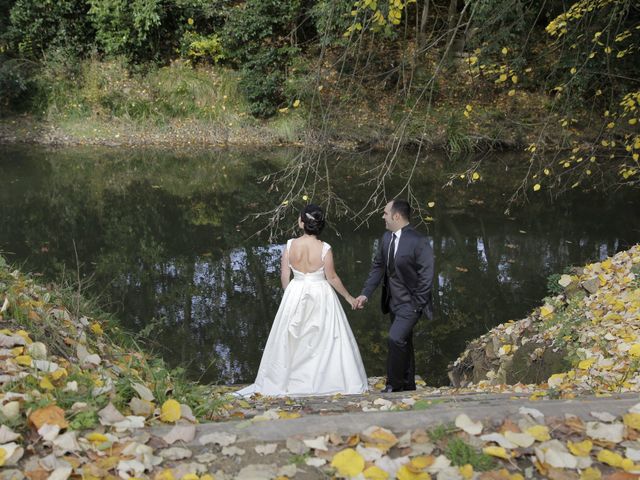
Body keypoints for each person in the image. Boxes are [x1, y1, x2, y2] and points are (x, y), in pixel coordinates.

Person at [235, 204, 368, 397]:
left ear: (301, 222)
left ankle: (287, 380)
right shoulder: (325, 248)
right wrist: (349, 298)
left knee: (291, 338)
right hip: (320, 293)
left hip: (295, 290)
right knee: (322, 337)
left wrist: (289, 293)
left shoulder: (290, 246)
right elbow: (331, 278)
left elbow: (284, 273)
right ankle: (325, 380)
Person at [355, 199, 434, 393]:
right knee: (404, 341)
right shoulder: (386, 238)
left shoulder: (418, 241)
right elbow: (378, 268)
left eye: (385, 213)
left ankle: (394, 385)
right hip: (392, 302)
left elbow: (427, 275)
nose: (383, 216)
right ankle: (409, 385)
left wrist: (417, 304)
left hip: (411, 303)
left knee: (395, 339)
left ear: (396, 216)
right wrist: (365, 294)